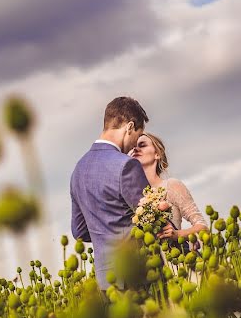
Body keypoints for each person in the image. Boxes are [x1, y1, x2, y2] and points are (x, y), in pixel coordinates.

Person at [70, 96, 150, 289]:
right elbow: (152, 220)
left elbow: (79, 232)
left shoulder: (78, 171)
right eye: (137, 137)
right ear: (129, 127)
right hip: (138, 274)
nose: (133, 145)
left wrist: (105, 235)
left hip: (105, 281)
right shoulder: (126, 165)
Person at [130, 132, 207, 242]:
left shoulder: (171, 185)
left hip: (173, 256)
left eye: (142, 145)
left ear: (157, 154)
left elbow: (202, 227)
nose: (135, 150)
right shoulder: (129, 193)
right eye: (132, 147)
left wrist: (177, 234)